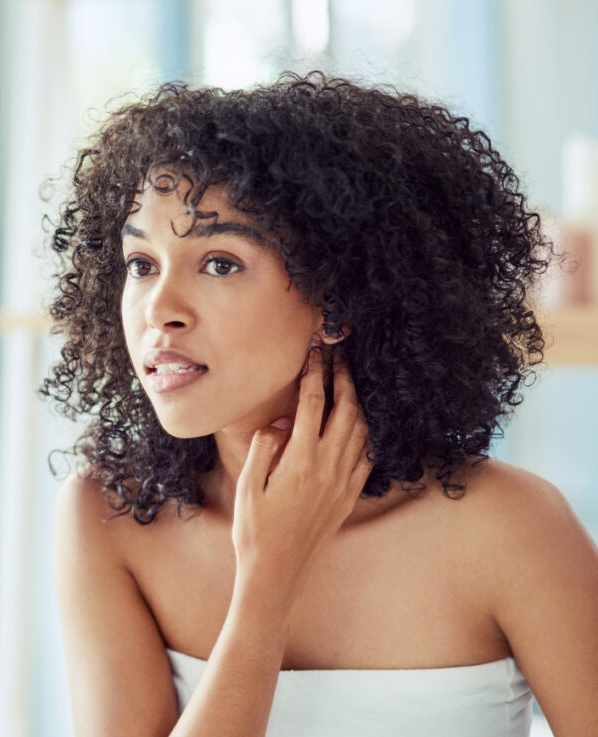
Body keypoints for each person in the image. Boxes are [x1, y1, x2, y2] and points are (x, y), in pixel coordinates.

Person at [42, 72, 598, 737]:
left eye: (219, 262)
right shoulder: (109, 517)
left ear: (335, 300)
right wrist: (268, 581)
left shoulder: (511, 529)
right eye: (141, 263)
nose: (158, 309)